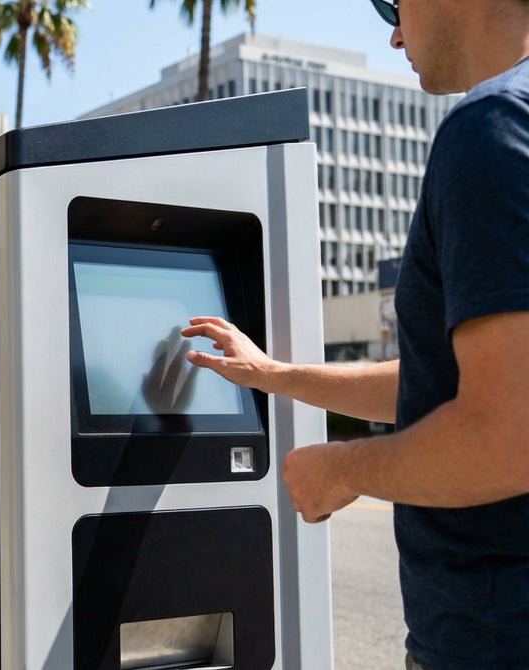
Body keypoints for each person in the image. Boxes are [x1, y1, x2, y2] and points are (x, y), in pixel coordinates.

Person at [180, 2, 529, 668]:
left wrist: (343, 471)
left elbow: (507, 435)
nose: (394, 30)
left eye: (393, 2)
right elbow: (457, 379)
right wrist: (277, 377)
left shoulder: (493, 129)